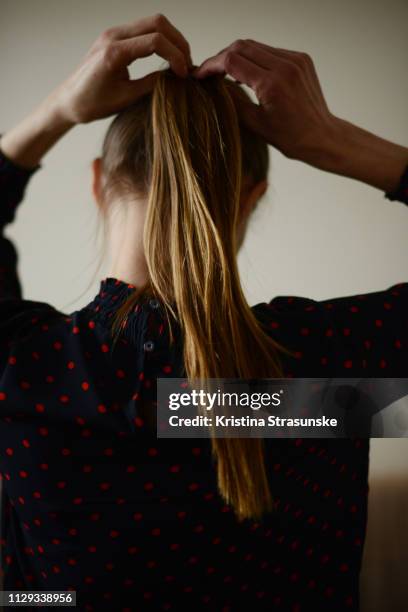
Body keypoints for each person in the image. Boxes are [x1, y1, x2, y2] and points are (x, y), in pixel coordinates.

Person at [0, 12, 407, 612]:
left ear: (97, 183)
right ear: (250, 199)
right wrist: (329, 139)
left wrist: (56, 112)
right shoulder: (332, 364)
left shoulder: (24, 365)